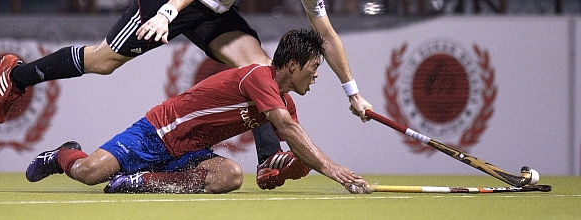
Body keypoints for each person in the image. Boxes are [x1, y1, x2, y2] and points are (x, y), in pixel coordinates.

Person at [0, 0, 373, 189]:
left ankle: (268, 159)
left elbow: (327, 36)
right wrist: (167, 14)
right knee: (103, 61)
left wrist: (352, 92)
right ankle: (16, 76)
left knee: (260, 70)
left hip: (214, 8)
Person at [25, 30, 370, 194]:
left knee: (230, 176)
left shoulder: (284, 103)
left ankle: (143, 182)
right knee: (88, 172)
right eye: (313, 66)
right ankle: (62, 154)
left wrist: (285, 166)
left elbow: (293, 147)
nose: (316, 74)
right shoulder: (258, 77)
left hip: (190, 152)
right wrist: (336, 171)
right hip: (157, 133)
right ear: (292, 65)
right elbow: (290, 131)